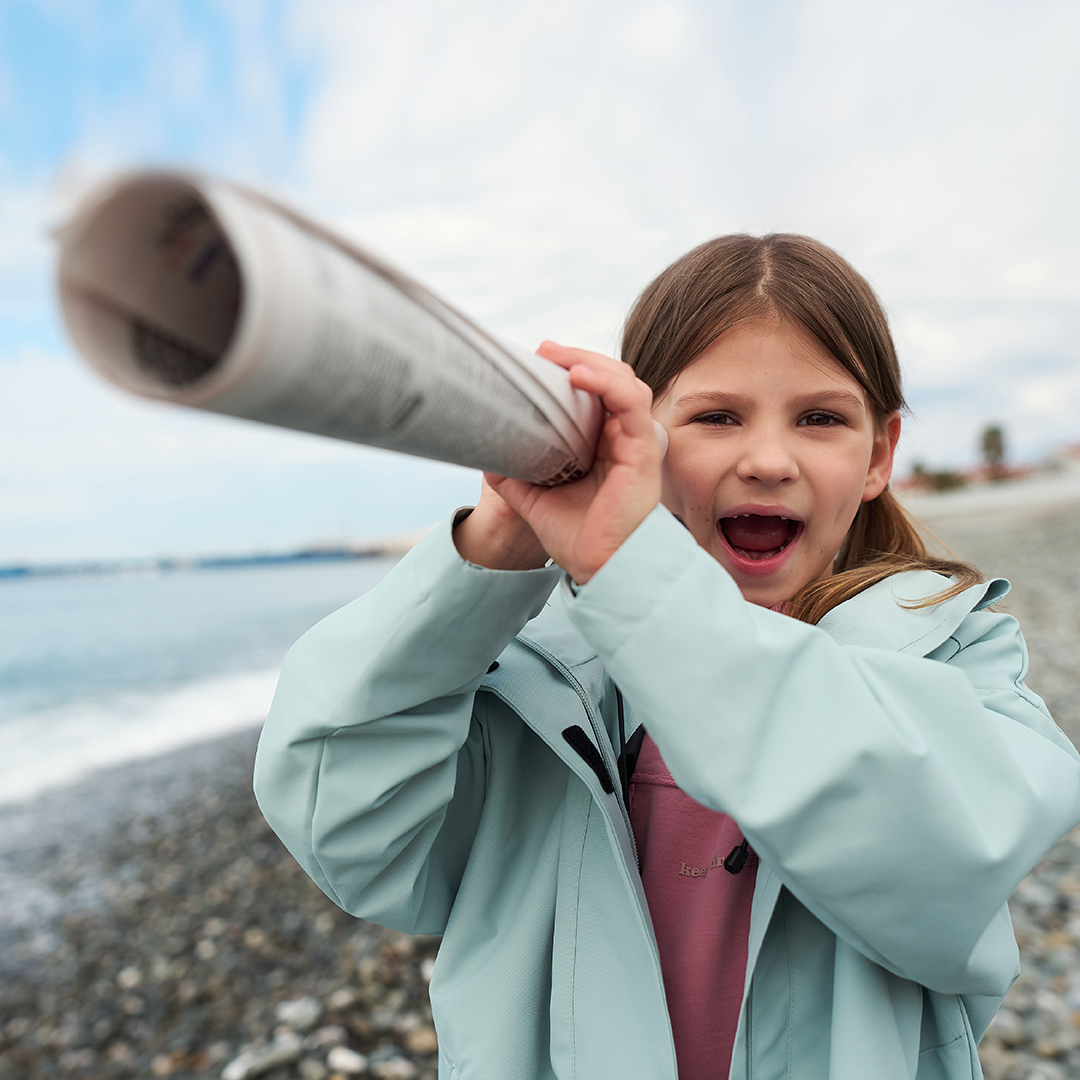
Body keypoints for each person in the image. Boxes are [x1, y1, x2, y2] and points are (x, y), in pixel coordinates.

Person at [253, 234, 1080, 1080]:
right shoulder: (536, 679)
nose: (768, 461)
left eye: (820, 418)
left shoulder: (958, 653)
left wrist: (639, 583)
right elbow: (348, 833)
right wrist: (488, 561)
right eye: (717, 417)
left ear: (878, 456)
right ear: (636, 442)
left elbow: (948, 862)